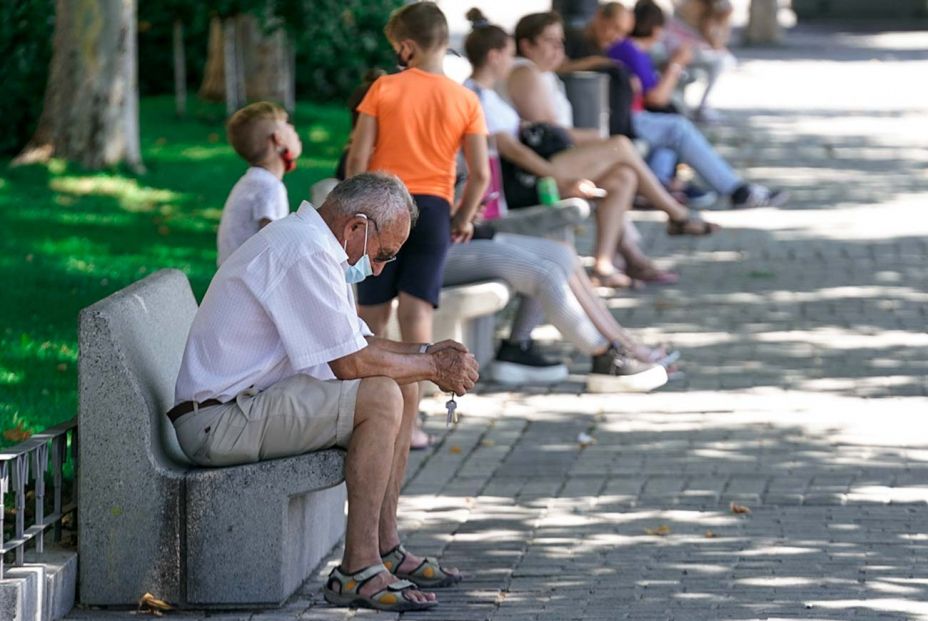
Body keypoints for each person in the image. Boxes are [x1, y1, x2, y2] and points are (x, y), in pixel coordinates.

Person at [170, 173, 479, 612]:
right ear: (356, 227)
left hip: (243, 408)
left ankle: (384, 546)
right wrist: (431, 366)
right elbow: (349, 364)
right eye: (383, 255)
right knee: (382, 396)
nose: (377, 269)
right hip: (217, 422)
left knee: (403, 387)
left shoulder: (313, 246)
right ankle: (358, 569)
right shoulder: (303, 252)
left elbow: (359, 343)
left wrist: (428, 354)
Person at [453, 10, 671, 393]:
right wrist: (561, 178)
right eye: (508, 55)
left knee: (563, 251)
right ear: (495, 56)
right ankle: (606, 352)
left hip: (491, 208)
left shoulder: (483, 96)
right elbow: (499, 161)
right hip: (496, 207)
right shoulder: (473, 99)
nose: (513, 63)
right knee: (552, 263)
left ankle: (612, 346)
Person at [345, 2, 490, 411]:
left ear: (406, 48)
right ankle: (413, 426)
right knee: (417, 319)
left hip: (381, 208)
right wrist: (461, 218)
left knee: (370, 320)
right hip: (434, 210)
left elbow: (357, 161)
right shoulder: (466, 100)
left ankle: (369, 414)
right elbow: (479, 175)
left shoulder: (384, 88)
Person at [504, 10, 718, 286]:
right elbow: (546, 135)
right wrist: (591, 137)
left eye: (560, 41)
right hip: (533, 171)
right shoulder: (525, 72)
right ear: (527, 45)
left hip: (552, 163)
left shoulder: (542, 73)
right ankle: (675, 213)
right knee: (619, 146)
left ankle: (604, 264)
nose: (558, 49)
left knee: (623, 177)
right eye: (550, 41)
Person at [607, 1, 788, 208]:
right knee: (677, 128)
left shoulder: (630, 50)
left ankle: (660, 184)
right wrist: (676, 64)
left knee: (672, 127)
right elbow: (657, 98)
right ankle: (736, 190)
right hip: (628, 118)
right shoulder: (630, 50)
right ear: (657, 30)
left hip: (631, 115)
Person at [216, 101, 302, 266]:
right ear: (278, 139)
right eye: (287, 125)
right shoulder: (269, 187)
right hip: (248, 287)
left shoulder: (252, 182)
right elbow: (275, 246)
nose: (293, 129)